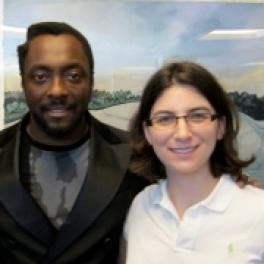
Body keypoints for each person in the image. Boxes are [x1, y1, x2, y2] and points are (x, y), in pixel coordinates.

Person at [0, 22, 148, 264]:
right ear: (23, 83)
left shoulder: (138, 155)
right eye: (40, 76)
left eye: (73, 76)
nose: (57, 90)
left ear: (91, 82)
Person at [120, 61, 264, 263]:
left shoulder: (259, 211)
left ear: (221, 126)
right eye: (165, 118)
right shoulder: (141, 206)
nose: (182, 134)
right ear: (148, 132)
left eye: (197, 116)